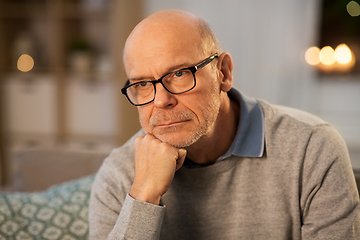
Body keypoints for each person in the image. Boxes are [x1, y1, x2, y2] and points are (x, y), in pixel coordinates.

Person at [89, 9, 360, 239]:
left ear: (223, 73)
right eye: (143, 84)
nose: (161, 101)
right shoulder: (119, 174)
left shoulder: (311, 148)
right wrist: (143, 196)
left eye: (179, 73)